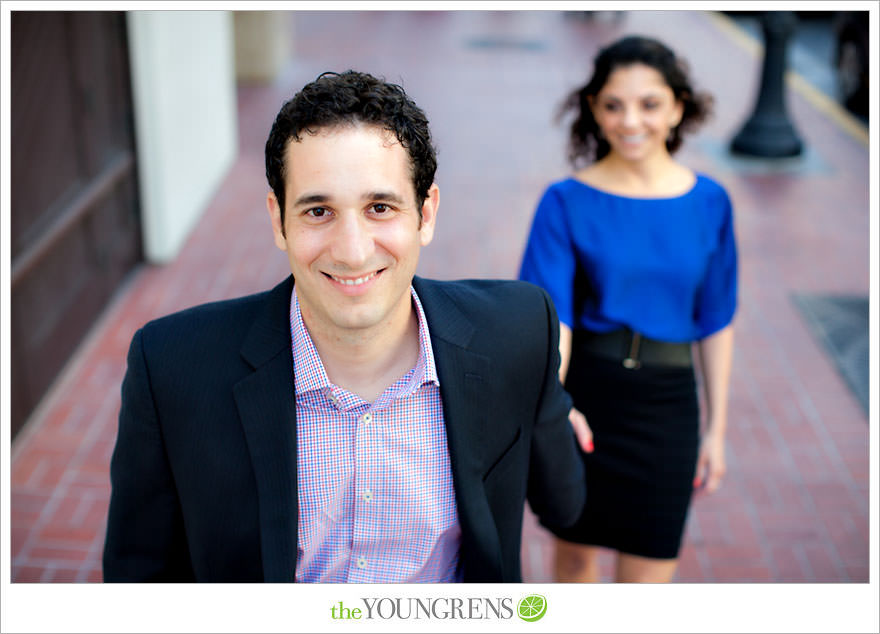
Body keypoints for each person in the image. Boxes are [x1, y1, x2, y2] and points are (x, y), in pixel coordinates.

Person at [103, 70, 588, 583]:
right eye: (318, 210)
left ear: (426, 214)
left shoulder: (517, 334)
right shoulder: (172, 366)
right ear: (278, 219)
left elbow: (566, 506)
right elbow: (138, 579)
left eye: (380, 207)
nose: (352, 251)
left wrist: (547, 405)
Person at [519, 36, 737, 583]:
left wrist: (717, 430)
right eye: (613, 104)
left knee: (648, 579)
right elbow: (554, 318)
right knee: (572, 563)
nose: (630, 120)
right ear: (593, 108)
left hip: (668, 408)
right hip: (588, 398)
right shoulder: (565, 201)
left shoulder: (710, 201)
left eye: (650, 104)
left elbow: (715, 320)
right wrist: (555, 402)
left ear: (678, 108)